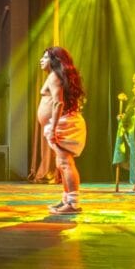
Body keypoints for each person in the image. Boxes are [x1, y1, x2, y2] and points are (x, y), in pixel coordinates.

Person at [39, 47, 87, 214]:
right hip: (60, 123)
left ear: (55, 61)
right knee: (61, 163)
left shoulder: (54, 77)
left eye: (45, 57)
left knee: (66, 163)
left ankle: (73, 203)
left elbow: (58, 103)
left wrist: (53, 128)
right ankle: (66, 199)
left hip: (61, 124)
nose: (41, 60)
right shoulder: (55, 76)